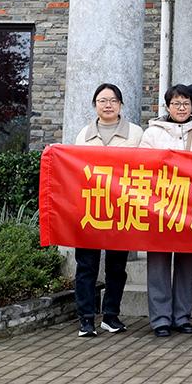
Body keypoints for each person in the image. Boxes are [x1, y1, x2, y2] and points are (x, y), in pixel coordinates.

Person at [73, 83, 144, 338]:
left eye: (113, 100)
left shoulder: (135, 133)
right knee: (86, 266)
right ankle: (86, 319)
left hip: (121, 209)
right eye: (102, 100)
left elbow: (144, 168)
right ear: (95, 105)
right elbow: (75, 170)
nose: (108, 105)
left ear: (121, 105)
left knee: (116, 266)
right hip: (90, 208)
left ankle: (111, 315)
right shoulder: (84, 134)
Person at [138, 84, 192, 337]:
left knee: (188, 263)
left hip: (191, 207)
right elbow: (142, 165)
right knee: (158, 263)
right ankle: (160, 319)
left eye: (186, 103)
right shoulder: (152, 133)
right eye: (176, 103)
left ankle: (182, 316)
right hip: (160, 206)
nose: (181, 107)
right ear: (167, 106)